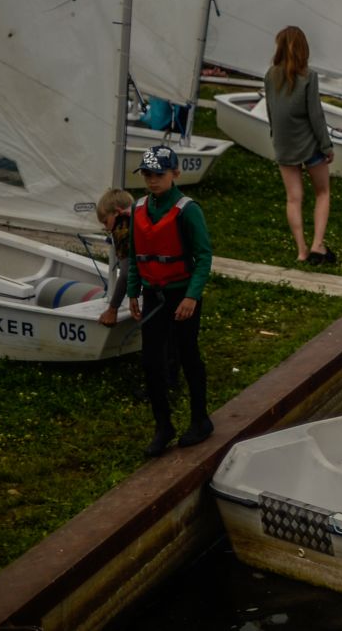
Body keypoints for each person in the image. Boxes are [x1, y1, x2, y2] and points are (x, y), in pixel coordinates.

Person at [130, 145, 214, 456]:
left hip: (181, 295)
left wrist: (191, 297)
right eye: (147, 175)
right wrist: (132, 293)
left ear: (175, 174)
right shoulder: (139, 209)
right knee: (151, 361)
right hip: (153, 294)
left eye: (159, 174)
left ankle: (200, 420)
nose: (152, 180)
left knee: (188, 355)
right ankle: (163, 426)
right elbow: (134, 255)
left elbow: (204, 256)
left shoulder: (188, 209)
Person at [262, 25, 335, 264]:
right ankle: (317, 245)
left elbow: (272, 111)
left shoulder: (270, 75)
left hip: (284, 144)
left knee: (294, 198)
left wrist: (276, 138)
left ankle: (301, 251)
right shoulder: (308, 76)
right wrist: (326, 145)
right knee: (322, 193)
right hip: (309, 144)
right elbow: (315, 115)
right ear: (304, 49)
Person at [94, 188, 138, 327]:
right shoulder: (141, 216)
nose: (107, 229)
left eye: (106, 222)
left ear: (117, 212)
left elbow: (126, 274)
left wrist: (113, 309)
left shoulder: (122, 227)